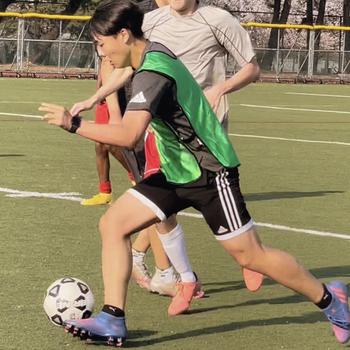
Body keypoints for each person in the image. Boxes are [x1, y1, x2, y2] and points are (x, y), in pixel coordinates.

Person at [40, 0, 350, 347]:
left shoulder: (153, 73)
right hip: (176, 169)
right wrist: (94, 96)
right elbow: (126, 72)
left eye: (101, 43)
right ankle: (113, 318)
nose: (101, 52)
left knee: (251, 256)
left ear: (123, 35)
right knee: (113, 224)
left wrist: (75, 124)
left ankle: (331, 298)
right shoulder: (149, 52)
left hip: (208, 172)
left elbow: (129, 135)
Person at [70, 0, 264, 298]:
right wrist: (95, 97)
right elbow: (130, 66)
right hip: (160, 129)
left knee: (215, 209)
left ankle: (249, 255)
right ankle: (176, 275)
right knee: (150, 206)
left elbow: (251, 68)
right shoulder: (150, 23)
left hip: (202, 129)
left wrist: (219, 89)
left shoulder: (218, 20)